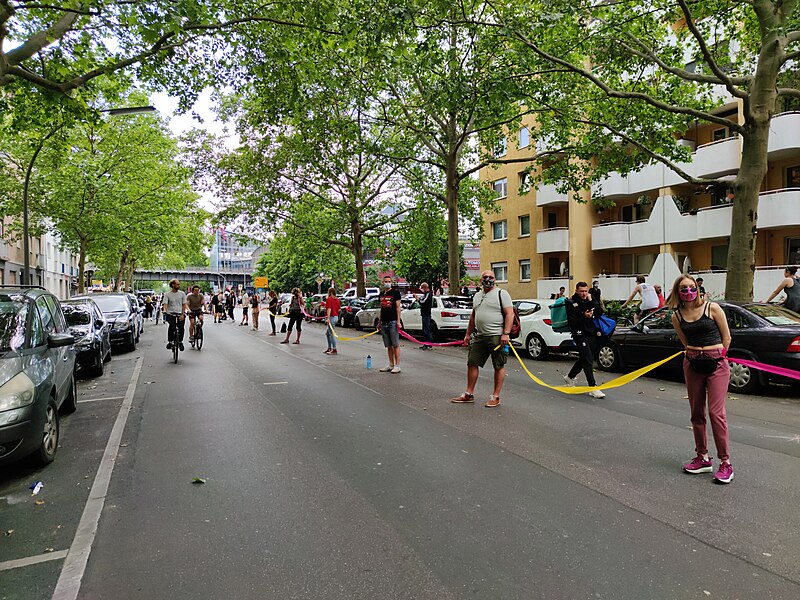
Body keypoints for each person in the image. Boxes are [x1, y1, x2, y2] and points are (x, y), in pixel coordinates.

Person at [669, 274, 734, 484]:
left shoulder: (712, 308)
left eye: (691, 287)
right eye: (683, 288)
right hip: (693, 362)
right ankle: (703, 457)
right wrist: (695, 355)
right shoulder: (677, 316)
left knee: (716, 413)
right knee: (696, 412)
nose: (688, 291)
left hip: (716, 363)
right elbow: (684, 341)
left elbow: (726, 336)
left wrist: (720, 355)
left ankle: (726, 462)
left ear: (697, 288)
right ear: (677, 292)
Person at [451, 270, 514, 407]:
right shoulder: (477, 295)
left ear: (495, 279)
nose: (488, 279)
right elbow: (474, 316)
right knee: (472, 363)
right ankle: (469, 394)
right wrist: (468, 334)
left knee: (498, 365)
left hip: (497, 336)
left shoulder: (501, 294)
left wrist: (506, 333)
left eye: (490, 277)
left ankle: (495, 396)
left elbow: (510, 314)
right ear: (481, 280)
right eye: (485, 277)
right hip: (480, 336)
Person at [563, 282, 606, 399]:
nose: (584, 293)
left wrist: (592, 300)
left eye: (586, 291)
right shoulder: (571, 303)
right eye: (582, 291)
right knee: (588, 360)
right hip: (579, 334)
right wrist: (584, 316)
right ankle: (593, 387)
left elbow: (600, 312)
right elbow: (572, 322)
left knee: (585, 358)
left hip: (591, 333)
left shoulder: (589, 300)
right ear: (576, 291)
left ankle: (570, 377)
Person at [377, 275, 403, 373]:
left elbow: (398, 308)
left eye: (389, 281)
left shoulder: (395, 293)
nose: (387, 283)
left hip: (392, 321)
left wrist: (398, 321)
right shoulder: (381, 294)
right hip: (384, 322)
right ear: (383, 283)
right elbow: (381, 309)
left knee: (395, 344)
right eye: (385, 281)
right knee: (388, 345)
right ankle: (391, 364)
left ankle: (397, 365)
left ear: (391, 282)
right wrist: (379, 322)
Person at [163, 279, 188, 352]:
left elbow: (184, 304)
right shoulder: (167, 294)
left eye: (179, 284)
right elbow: (165, 304)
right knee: (172, 326)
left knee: (181, 328)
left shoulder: (182, 293)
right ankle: (170, 342)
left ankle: (180, 342)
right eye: (177, 284)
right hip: (171, 313)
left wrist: (182, 314)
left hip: (180, 313)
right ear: (173, 285)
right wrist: (165, 311)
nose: (178, 286)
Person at [323, 287, 341, 354]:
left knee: (331, 334)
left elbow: (329, 309)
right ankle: (329, 347)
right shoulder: (337, 300)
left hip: (331, 317)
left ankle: (334, 349)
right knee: (328, 333)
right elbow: (338, 309)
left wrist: (327, 318)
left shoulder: (329, 299)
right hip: (336, 317)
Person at [418, 282, 433, 350]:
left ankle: (428, 344)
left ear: (425, 288)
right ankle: (426, 343)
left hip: (426, 314)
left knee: (426, 329)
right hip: (424, 314)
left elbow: (423, 302)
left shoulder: (428, 294)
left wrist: (417, 299)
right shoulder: (426, 294)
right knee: (425, 329)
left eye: (422, 288)